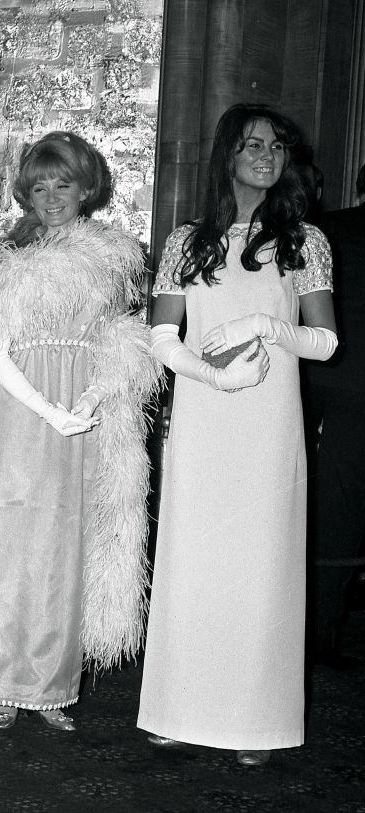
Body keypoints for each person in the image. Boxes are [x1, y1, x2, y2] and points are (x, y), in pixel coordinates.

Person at [138, 104, 337, 765]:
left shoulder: (303, 240)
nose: (266, 155)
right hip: (203, 422)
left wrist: (263, 327)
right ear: (227, 154)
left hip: (267, 430)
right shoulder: (187, 241)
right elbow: (162, 336)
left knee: (262, 571)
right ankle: (178, 707)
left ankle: (257, 720)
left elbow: (325, 341)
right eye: (253, 144)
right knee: (194, 566)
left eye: (277, 147)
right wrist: (209, 375)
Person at [0, 131, 159, 734]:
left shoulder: (110, 258)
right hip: (23, 416)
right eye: (38, 186)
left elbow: (122, 341)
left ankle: (51, 685)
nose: (51, 196)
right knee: (9, 542)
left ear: (86, 187)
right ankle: (1, 682)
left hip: (85, 418)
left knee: (67, 550)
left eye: (62, 183)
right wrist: (46, 407)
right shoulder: (9, 265)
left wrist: (89, 398)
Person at [302, 162, 365, 668]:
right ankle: (322, 629)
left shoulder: (325, 232)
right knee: (342, 510)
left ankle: (305, 626)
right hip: (353, 390)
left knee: (299, 498)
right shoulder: (321, 233)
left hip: (303, 379)